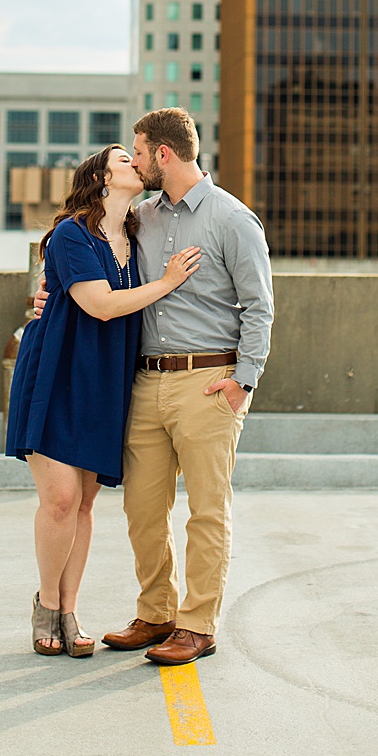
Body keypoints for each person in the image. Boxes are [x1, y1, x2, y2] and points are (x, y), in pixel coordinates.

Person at [4, 144, 201, 656]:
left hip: (105, 379)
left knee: (86, 502)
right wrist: (167, 283)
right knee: (61, 499)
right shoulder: (72, 233)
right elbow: (101, 305)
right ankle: (46, 605)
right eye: (122, 159)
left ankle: (70, 611)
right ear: (99, 177)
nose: (134, 164)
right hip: (58, 374)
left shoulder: (136, 236)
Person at [98, 108, 274, 667]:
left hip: (209, 383)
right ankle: (156, 613)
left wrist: (241, 383)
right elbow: (107, 274)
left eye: (140, 150)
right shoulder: (142, 218)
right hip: (147, 383)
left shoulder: (233, 219)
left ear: (164, 155)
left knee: (207, 510)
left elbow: (259, 308)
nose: (137, 159)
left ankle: (198, 625)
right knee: (143, 510)